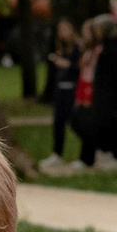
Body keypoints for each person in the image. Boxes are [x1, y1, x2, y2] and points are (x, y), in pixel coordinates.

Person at [75, 13, 117, 171]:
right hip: (103, 92)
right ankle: (107, 152)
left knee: (111, 123)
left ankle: (115, 155)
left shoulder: (112, 47)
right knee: (104, 122)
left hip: (110, 93)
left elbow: (114, 73)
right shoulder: (106, 46)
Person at [47, 19, 81, 161]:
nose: (63, 34)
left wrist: (67, 64)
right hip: (61, 88)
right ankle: (57, 154)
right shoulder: (60, 48)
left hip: (72, 89)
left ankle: (93, 148)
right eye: (60, 31)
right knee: (58, 122)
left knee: (75, 122)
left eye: (65, 30)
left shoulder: (77, 47)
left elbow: (80, 68)